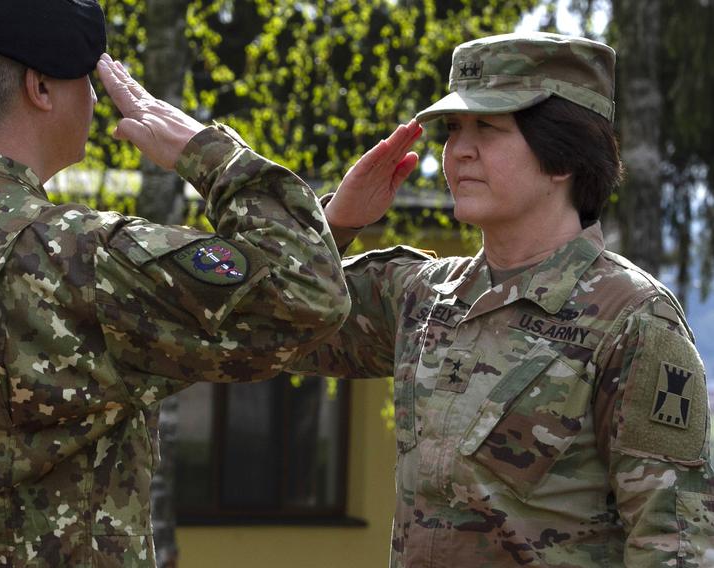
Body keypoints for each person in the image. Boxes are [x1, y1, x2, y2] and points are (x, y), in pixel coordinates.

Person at [0, 0, 351, 564]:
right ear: (40, 87)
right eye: (88, 79)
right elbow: (306, 293)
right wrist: (210, 154)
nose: (94, 99)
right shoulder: (74, 257)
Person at [295, 32, 713, 566]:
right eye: (453, 130)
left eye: (487, 128)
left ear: (562, 156)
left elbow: (671, 542)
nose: (458, 151)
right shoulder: (423, 295)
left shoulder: (632, 319)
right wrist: (336, 224)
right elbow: (275, 327)